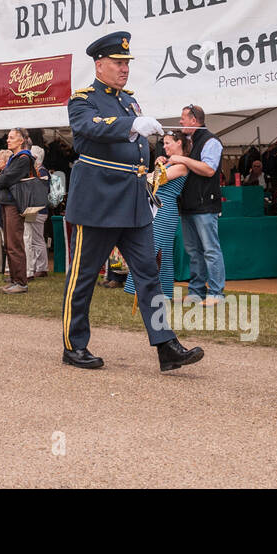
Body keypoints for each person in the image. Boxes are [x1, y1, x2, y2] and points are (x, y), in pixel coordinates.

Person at [61, 31, 203, 372]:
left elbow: (136, 149)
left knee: (148, 274)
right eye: (117, 62)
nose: (124, 69)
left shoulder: (128, 100)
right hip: (99, 200)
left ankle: (165, 345)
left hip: (133, 201)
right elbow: (89, 128)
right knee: (83, 276)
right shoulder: (83, 100)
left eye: (126, 63)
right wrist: (131, 124)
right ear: (99, 64)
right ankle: (73, 345)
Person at [125, 129, 190, 304]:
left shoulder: (181, 166)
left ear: (179, 143)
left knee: (156, 250)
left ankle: (152, 291)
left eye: (168, 143)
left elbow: (155, 180)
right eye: (164, 143)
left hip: (165, 209)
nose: (165, 146)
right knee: (155, 250)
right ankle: (155, 291)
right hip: (155, 207)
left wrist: (146, 173)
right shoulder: (169, 163)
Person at [173, 104, 226, 306]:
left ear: (194, 120)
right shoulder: (188, 142)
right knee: (193, 252)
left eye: (183, 118)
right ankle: (196, 291)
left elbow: (209, 170)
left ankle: (216, 293)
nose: (180, 121)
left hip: (205, 205)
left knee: (210, 250)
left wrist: (183, 160)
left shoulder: (211, 141)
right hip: (187, 205)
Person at [0, 128, 35, 294]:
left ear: (21, 140)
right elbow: (4, 178)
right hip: (7, 203)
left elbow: (4, 179)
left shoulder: (23, 159)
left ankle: (21, 282)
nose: (8, 140)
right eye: (8, 137)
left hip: (14, 205)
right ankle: (15, 279)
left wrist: (2, 178)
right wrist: (2, 178)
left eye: (11, 137)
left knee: (14, 244)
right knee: (9, 243)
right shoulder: (16, 159)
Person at [24, 145, 51, 279]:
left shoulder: (42, 172)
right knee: (34, 239)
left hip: (38, 210)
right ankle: (37, 266)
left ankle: (41, 267)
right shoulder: (39, 171)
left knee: (37, 240)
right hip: (37, 209)